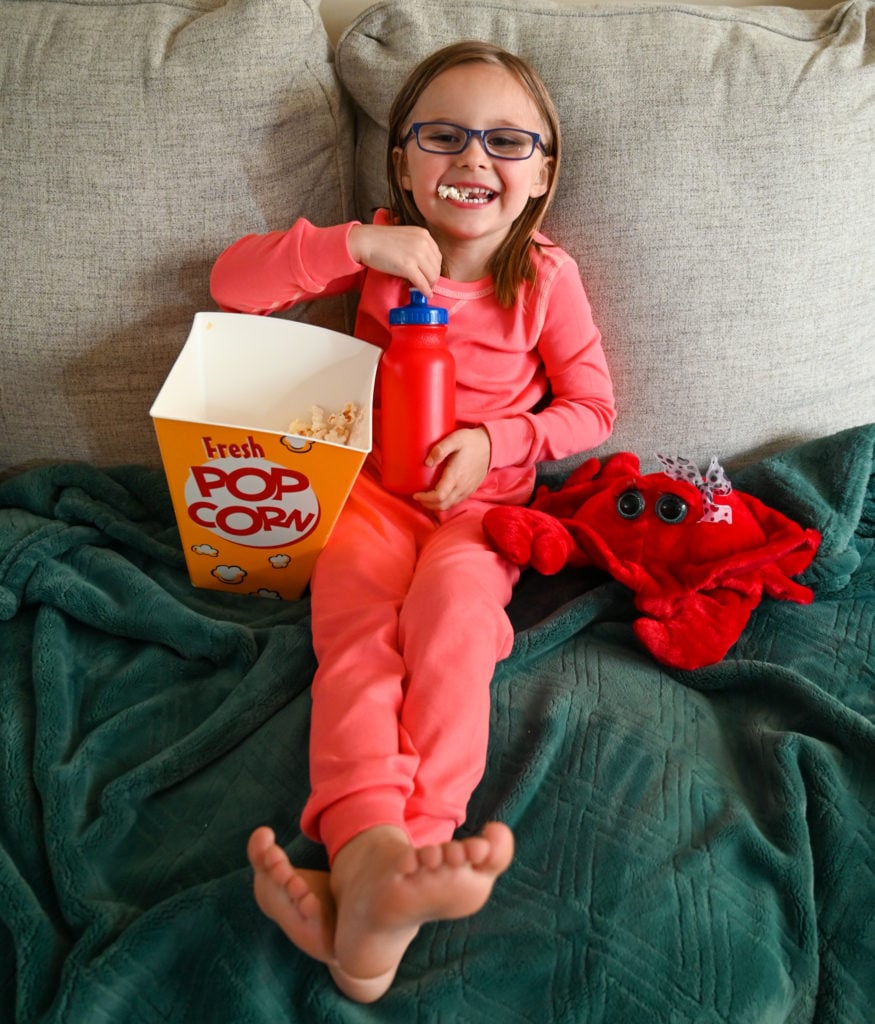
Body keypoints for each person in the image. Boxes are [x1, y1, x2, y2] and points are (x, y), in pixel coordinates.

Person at [210, 40, 616, 1003]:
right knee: (354, 634)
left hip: (481, 510)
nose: (474, 160)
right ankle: (366, 860)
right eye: (444, 137)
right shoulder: (386, 246)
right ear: (402, 160)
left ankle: (411, 849)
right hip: (372, 498)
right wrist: (354, 244)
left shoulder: (543, 279)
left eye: (507, 142)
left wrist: (498, 438)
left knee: (454, 625)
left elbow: (593, 408)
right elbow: (234, 286)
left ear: (541, 174)